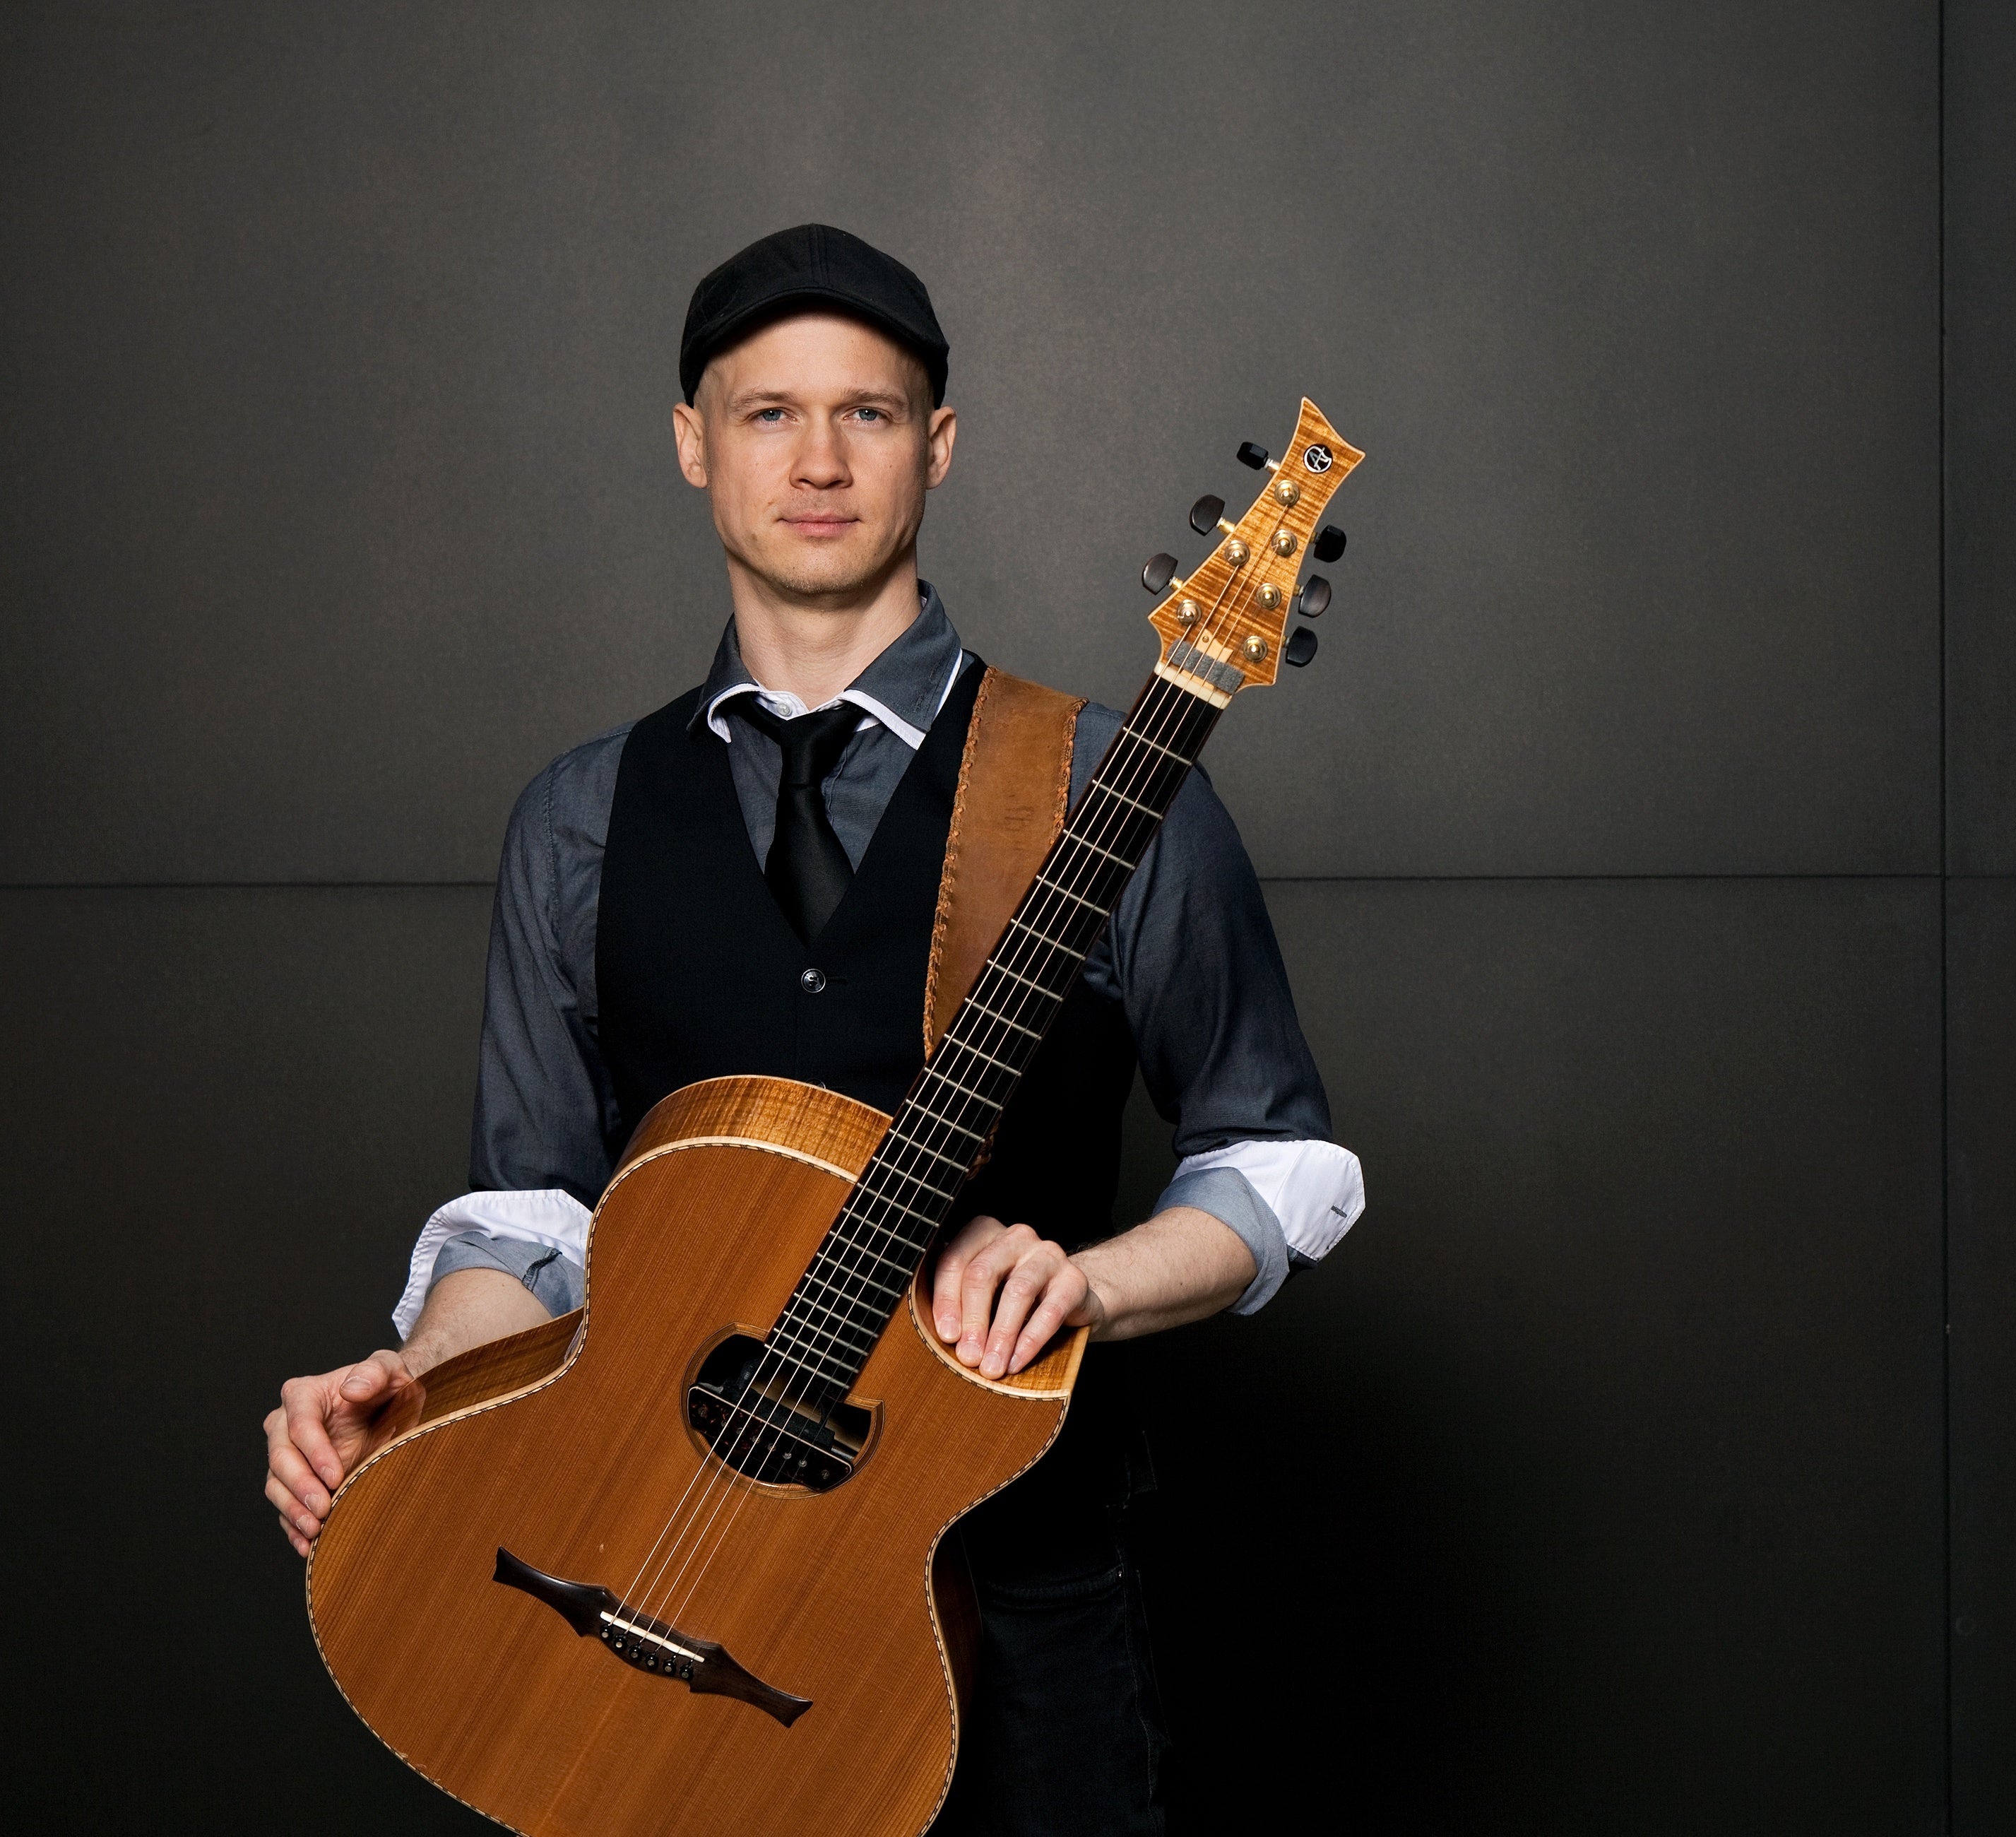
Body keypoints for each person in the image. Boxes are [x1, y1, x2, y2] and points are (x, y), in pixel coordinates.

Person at [259, 223, 1363, 1834]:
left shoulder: (1104, 787)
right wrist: (416, 1377)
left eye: (869, 412)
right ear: (694, 443)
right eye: (769, 412)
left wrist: (1090, 1285)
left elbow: (1281, 1159)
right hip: (632, 1544)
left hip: (1016, 1579)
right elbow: (535, 1211)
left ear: (939, 444)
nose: (820, 460)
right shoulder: (579, 818)